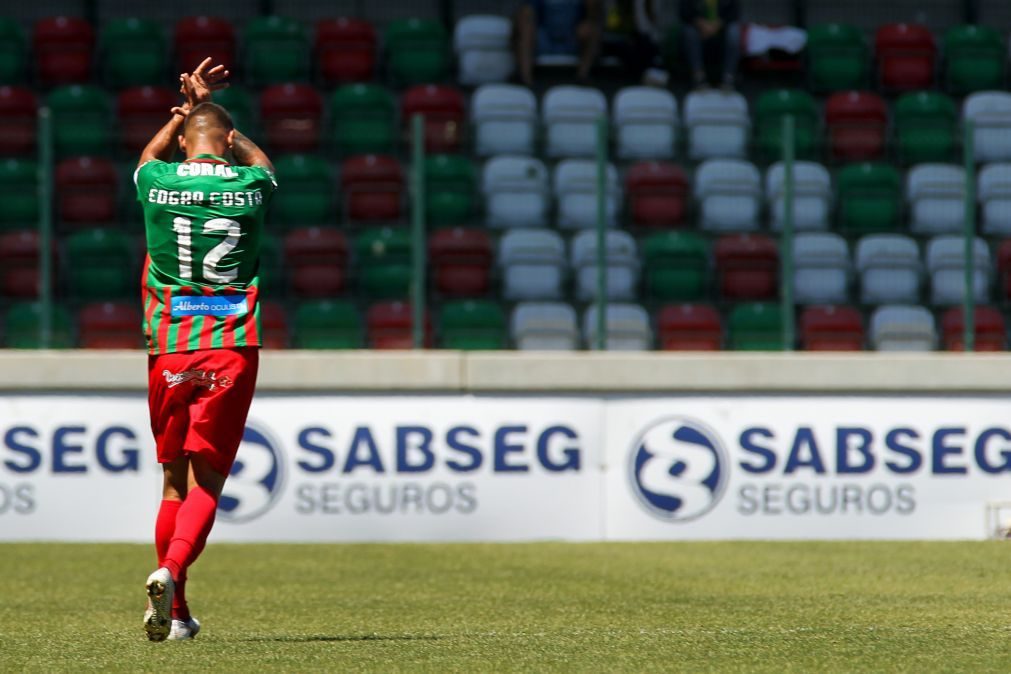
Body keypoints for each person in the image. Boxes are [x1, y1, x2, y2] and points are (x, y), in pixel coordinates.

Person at [136, 58, 276, 642]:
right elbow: (263, 164)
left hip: (169, 347)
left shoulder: (157, 182)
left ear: (186, 142)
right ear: (224, 140)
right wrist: (217, 120)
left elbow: (146, 160)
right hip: (230, 348)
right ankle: (170, 572)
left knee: (172, 481)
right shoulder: (248, 187)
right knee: (209, 484)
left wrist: (179, 117)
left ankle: (177, 614)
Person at [514, 0, 602, 86]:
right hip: (543, 37)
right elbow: (527, 10)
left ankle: (582, 77)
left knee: (591, 26)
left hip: (572, 37)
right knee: (525, 15)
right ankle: (525, 80)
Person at [602, 0, 667, 86]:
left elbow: (648, 27)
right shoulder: (615, 3)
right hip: (617, 38)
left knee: (645, 44)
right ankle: (642, 79)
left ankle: (649, 76)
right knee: (634, 47)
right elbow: (612, 24)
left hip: (641, 38)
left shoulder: (643, 3)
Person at [679, 0, 741, 89]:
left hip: (721, 30)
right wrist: (702, 25)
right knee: (689, 32)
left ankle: (728, 77)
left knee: (734, 32)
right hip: (699, 30)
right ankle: (698, 76)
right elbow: (684, 12)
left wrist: (715, 26)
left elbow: (734, 12)